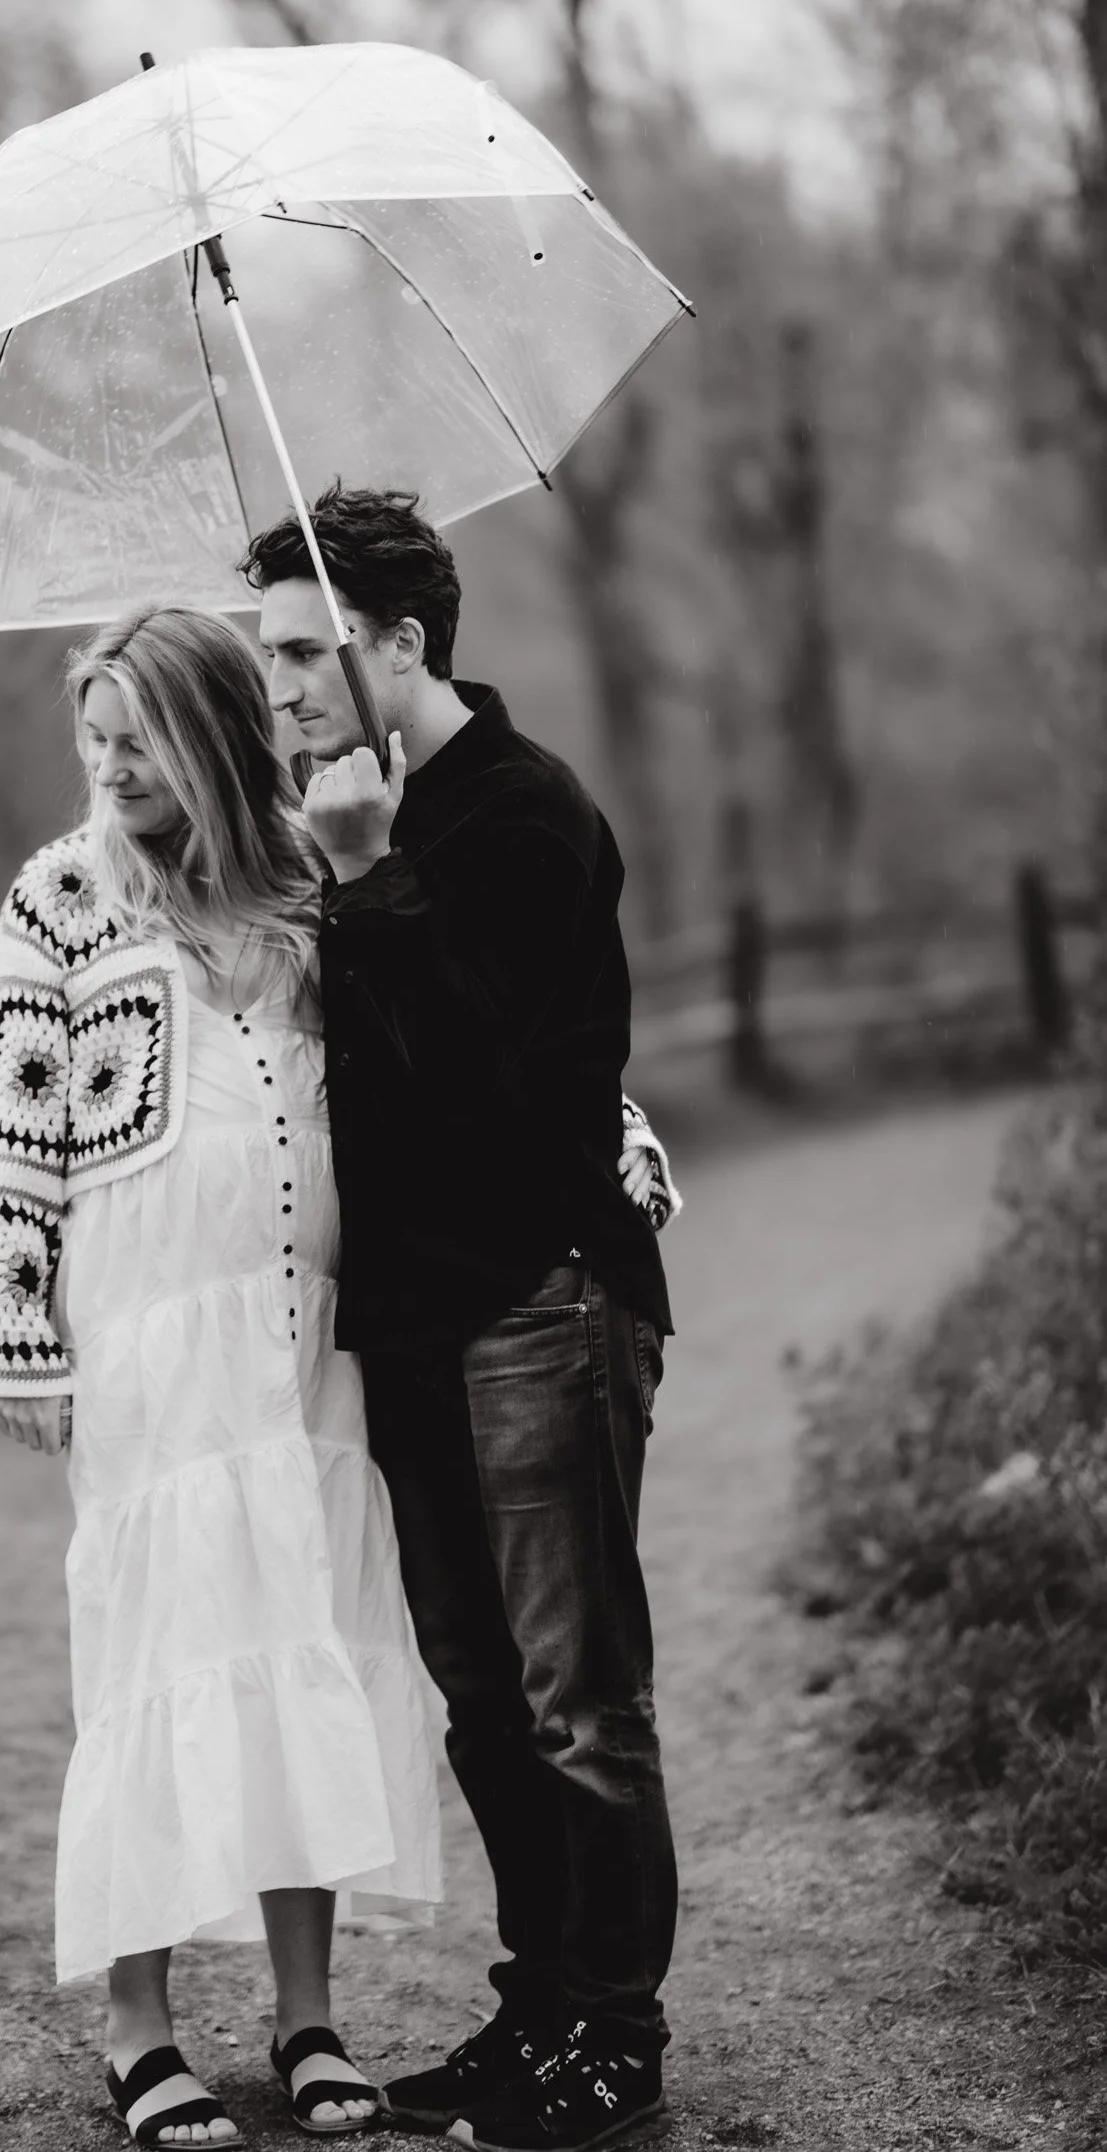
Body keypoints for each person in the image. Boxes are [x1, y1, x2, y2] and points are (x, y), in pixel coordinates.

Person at [0, 604, 441, 2149]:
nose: (107, 768)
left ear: (211, 731)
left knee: (301, 1633)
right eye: (90, 740)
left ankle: (309, 2019)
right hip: (150, 1334)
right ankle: (139, 2027)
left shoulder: (310, 873)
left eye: (135, 740)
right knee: (161, 1650)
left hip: (304, 1331)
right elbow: (9, 1129)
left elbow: (445, 1040)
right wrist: (16, 1330)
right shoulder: (63, 897)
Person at [240, 487, 679, 2152]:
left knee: (579, 1697)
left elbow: (504, 1093)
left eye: (302, 653)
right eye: (266, 657)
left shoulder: (519, 814)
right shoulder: (333, 815)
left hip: (539, 1301)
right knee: (478, 1701)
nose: (279, 690)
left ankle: (618, 2041)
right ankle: (546, 2001)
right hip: (411, 1323)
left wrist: (371, 875)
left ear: (399, 642)